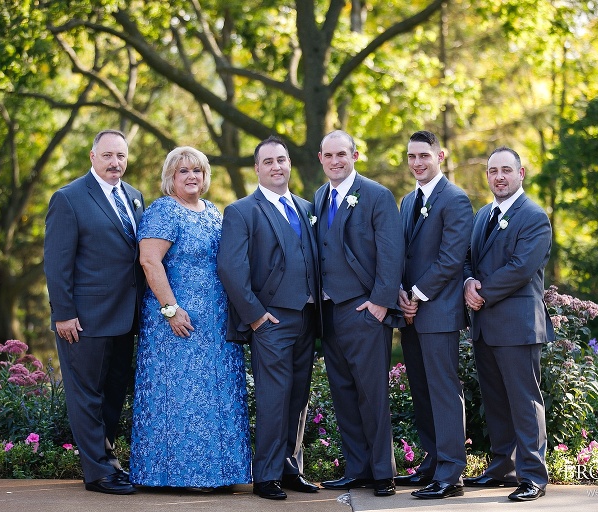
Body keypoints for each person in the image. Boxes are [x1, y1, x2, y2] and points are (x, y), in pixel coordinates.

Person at [129, 146, 252, 489]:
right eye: (183, 171)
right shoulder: (163, 211)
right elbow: (149, 261)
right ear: (170, 176)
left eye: (197, 170)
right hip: (177, 323)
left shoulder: (212, 211)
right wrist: (170, 309)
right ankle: (177, 475)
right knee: (183, 396)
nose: (192, 176)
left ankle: (221, 475)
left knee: (217, 394)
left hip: (216, 324)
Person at [217, 136, 321, 500]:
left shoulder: (308, 207)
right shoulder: (243, 211)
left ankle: (291, 469)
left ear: (289, 163)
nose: (277, 167)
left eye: (282, 160)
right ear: (258, 169)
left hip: (308, 317)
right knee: (274, 397)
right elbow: (231, 269)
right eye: (269, 162)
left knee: (298, 397)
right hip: (271, 322)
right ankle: (266, 476)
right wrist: (256, 316)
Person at [44, 129, 145, 495]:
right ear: (92, 157)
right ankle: (98, 474)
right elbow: (57, 263)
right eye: (107, 156)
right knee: (86, 395)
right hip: (82, 319)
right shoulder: (69, 199)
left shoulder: (134, 197)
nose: (115, 162)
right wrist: (63, 313)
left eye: (120, 156)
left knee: (114, 392)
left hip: (125, 317)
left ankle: (110, 462)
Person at [314, 130, 405, 497]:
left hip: (365, 310)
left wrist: (381, 302)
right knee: (344, 393)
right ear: (321, 158)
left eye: (342, 154)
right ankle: (358, 469)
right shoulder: (320, 196)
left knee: (372, 394)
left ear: (355, 155)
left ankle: (384, 472)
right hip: (329, 313)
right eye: (329, 155)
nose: (335, 161)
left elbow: (391, 252)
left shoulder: (377, 195)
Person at [463, 146, 554, 502]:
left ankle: (533, 476)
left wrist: (481, 292)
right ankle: (503, 467)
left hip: (517, 325)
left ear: (521, 173)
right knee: (496, 401)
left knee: (524, 400)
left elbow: (520, 267)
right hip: (485, 324)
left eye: (505, 170)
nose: (498, 176)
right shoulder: (483, 213)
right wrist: (468, 283)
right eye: (492, 171)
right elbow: (468, 258)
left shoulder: (533, 216)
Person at [395, 131, 473, 499]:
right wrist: (400, 294)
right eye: (411, 157)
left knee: (443, 390)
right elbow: (401, 255)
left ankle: (451, 472)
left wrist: (417, 294)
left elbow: (451, 258)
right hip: (410, 313)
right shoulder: (408, 200)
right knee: (421, 391)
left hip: (439, 312)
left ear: (440, 155)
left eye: (424, 156)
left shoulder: (455, 199)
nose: (417, 163)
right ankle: (431, 461)